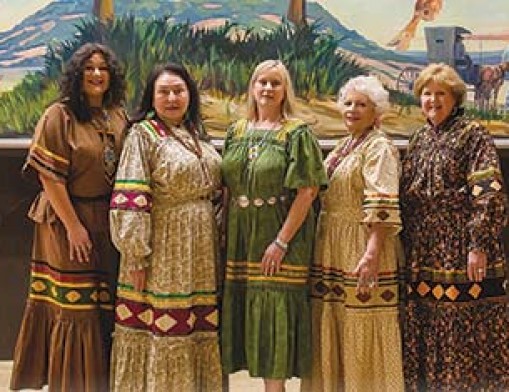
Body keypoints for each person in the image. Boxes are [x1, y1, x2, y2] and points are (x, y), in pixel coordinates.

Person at [10, 42, 128, 391]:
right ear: (77, 75)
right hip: (66, 221)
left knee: (100, 305)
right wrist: (74, 227)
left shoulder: (117, 114)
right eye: (88, 68)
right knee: (74, 308)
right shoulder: (58, 116)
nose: (96, 74)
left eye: (102, 68)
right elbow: (50, 178)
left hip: (106, 220)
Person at [109, 63, 223, 391]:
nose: (172, 97)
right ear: (152, 97)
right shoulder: (142, 135)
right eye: (164, 92)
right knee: (164, 326)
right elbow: (130, 198)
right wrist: (136, 256)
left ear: (190, 94)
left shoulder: (194, 133)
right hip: (164, 247)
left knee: (195, 326)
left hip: (200, 248)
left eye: (179, 90)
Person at [220, 59, 328, 392]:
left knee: (274, 315)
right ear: (252, 87)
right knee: (244, 309)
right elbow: (227, 187)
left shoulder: (296, 133)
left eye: (275, 83)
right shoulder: (235, 132)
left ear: (285, 91)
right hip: (241, 235)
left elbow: (308, 190)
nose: (267, 89)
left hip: (280, 234)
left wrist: (281, 242)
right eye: (262, 82)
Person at [400, 63, 509, 391]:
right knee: (428, 321)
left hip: (462, 245)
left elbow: (488, 193)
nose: (432, 100)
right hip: (424, 247)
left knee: (462, 325)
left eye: (440, 94)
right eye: (426, 93)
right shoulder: (419, 137)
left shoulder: (472, 133)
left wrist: (478, 244)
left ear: (455, 97)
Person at [301, 75, 404, 392]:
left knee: (362, 321)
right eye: (348, 103)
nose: (353, 110)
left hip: (362, 244)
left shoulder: (379, 147)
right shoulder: (346, 145)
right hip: (333, 243)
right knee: (335, 322)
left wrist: (372, 253)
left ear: (377, 112)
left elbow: (382, 202)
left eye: (362, 105)